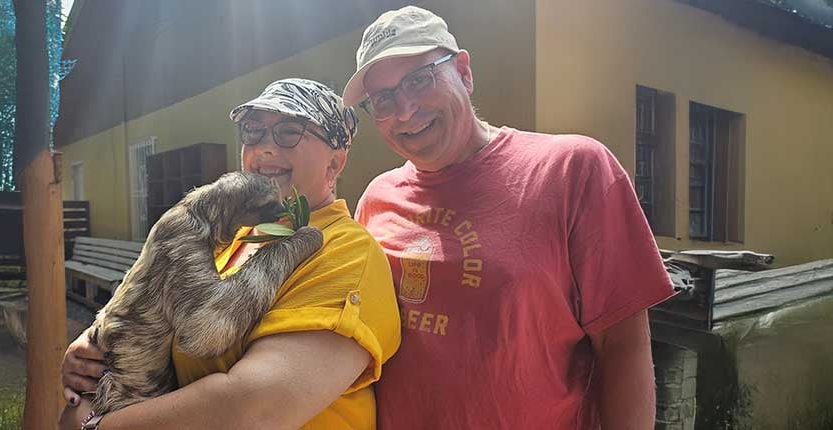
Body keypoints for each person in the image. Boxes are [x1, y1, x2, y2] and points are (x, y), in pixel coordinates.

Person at [341, 6, 676, 429]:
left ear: (463, 72)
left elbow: (622, 346)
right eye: (383, 99)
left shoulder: (572, 170)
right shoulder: (376, 199)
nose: (404, 111)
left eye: (419, 80)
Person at [59, 78, 400, 429]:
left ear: (335, 163)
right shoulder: (238, 240)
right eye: (253, 131)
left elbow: (255, 409)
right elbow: (151, 309)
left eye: (289, 132)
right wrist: (92, 348)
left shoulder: (348, 252)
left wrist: (92, 427)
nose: (264, 148)